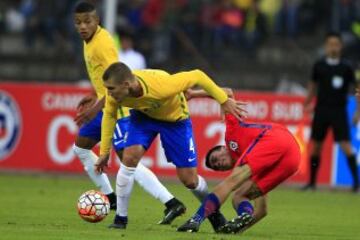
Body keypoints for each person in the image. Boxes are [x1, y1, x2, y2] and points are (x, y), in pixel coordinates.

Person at [95, 62, 246, 231]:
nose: (108, 93)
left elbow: (197, 74)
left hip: (175, 122)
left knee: (189, 180)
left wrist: (224, 100)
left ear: (126, 85)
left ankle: (214, 214)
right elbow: (109, 116)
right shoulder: (115, 94)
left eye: (111, 88)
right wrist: (104, 152)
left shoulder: (162, 86)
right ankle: (120, 219)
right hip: (143, 117)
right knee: (129, 157)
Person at [72, 1, 185, 225]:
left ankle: (170, 202)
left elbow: (118, 80)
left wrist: (95, 107)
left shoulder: (103, 44)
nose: (83, 26)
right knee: (81, 147)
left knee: (127, 160)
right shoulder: (89, 41)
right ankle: (111, 197)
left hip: (119, 108)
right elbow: (104, 81)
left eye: (87, 22)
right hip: (104, 105)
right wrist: (95, 97)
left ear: (97, 21)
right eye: (78, 23)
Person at [177, 113, 301, 233]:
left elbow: (227, 96)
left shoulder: (231, 133)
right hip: (293, 159)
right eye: (217, 167)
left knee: (229, 184)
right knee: (240, 196)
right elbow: (261, 211)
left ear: (223, 148)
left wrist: (221, 99)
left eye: (215, 159)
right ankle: (244, 215)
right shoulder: (253, 166)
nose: (218, 164)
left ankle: (196, 220)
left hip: (274, 136)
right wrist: (236, 230)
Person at [303, 32, 359, 192]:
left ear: (340, 47)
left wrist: (357, 112)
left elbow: (357, 89)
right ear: (326, 46)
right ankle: (312, 183)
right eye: (330, 44)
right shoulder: (319, 65)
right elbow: (312, 86)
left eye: (336, 44)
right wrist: (307, 103)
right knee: (316, 147)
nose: (333, 47)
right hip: (321, 110)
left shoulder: (347, 67)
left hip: (339, 111)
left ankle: (356, 184)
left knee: (346, 146)